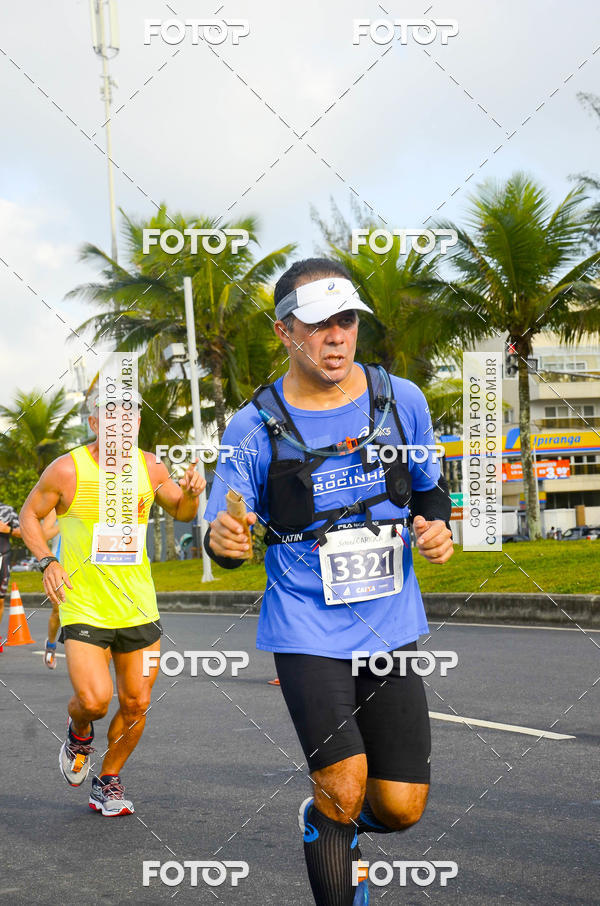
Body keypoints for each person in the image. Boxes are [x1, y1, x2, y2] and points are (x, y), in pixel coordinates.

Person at [203, 258, 454, 906]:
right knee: (343, 784)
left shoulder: (402, 401)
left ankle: (325, 824)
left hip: (388, 624)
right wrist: (224, 541)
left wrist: (434, 528)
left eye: (347, 321)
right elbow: (221, 529)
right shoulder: (253, 427)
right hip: (307, 627)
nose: (337, 337)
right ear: (286, 332)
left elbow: (430, 493)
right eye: (319, 324)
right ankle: (331, 817)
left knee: (400, 807)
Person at [19, 391, 205, 816]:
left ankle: (108, 780)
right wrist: (48, 561)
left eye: (129, 419)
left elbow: (180, 510)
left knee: (137, 702)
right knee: (95, 700)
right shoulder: (67, 469)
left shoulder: (150, 466)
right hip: (84, 604)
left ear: (138, 424)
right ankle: (79, 730)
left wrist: (193, 493)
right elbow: (30, 516)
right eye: (111, 419)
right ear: (95, 425)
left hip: (139, 605)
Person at [41, 510, 61, 668]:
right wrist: (66, 522)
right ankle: (51, 645)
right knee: (58, 610)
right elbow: (45, 535)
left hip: (87, 566)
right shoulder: (54, 509)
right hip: (60, 564)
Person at [0, 502, 22, 639]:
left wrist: (7, 530)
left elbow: (21, 532)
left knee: (0, 601)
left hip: (3, 558)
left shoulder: (7, 510)